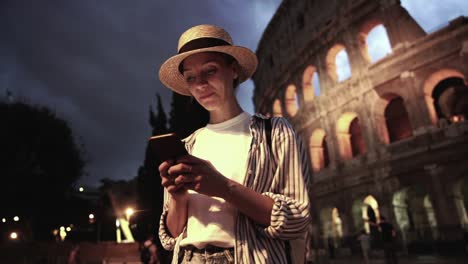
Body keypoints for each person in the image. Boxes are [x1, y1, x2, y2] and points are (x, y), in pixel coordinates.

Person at [156, 24, 311, 263]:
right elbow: (172, 236)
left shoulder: (275, 132)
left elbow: (297, 219)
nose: (200, 84)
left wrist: (223, 187)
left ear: (234, 70)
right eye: (191, 77)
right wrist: (177, 197)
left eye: (210, 70)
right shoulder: (187, 145)